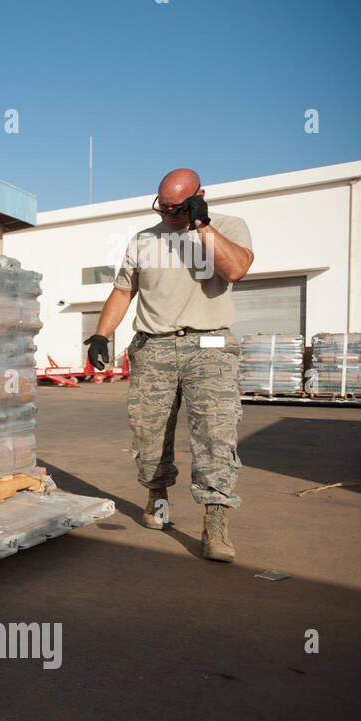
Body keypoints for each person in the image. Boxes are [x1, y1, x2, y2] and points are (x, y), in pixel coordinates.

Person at [85, 168, 253, 562]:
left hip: (209, 345)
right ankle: (157, 498)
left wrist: (202, 226)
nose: (169, 216)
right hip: (154, 347)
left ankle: (215, 522)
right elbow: (124, 290)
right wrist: (100, 335)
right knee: (149, 432)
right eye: (164, 208)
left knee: (215, 432)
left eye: (179, 209)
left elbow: (236, 269)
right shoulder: (144, 240)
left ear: (200, 196)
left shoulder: (228, 227)